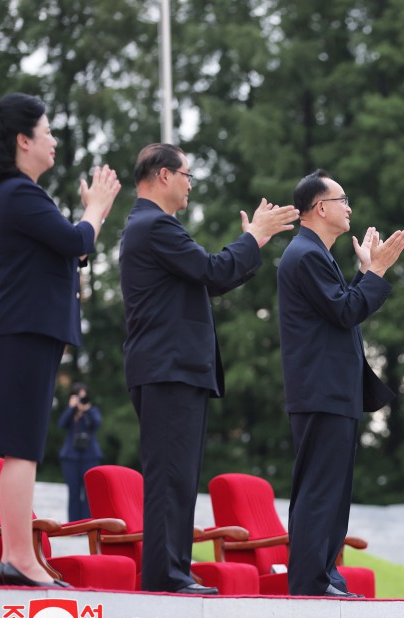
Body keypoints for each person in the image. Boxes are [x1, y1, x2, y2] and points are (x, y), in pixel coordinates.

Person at [119, 143, 296, 594]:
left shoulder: (151, 227)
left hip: (172, 368)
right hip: (168, 369)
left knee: (178, 476)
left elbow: (211, 277)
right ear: (163, 175)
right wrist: (255, 235)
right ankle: (167, 576)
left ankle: (173, 571)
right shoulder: (155, 225)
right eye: (187, 175)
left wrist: (251, 242)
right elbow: (213, 271)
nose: (190, 184)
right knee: (170, 477)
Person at [0, 92, 120, 587]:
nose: (54, 140)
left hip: (24, 328)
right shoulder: (18, 193)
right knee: (21, 448)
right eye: (47, 132)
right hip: (21, 328)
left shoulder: (19, 195)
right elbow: (77, 242)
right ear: (24, 140)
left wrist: (83, 227)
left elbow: (66, 253)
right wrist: (97, 208)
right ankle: (17, 556)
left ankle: (23, 556)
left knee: (25, 447)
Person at [278, 169, 404, 597]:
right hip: (321, 392)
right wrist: (377, 272)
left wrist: (365, 274)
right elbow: (346, 312)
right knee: (320, 489)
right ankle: (311, 581)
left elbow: (340, 309)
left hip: (332, 392)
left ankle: (325, 576)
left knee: (332, 490)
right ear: (320, 208)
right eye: (342, 200)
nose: (349, 208)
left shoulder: (317, 254)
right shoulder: (306, 254)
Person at [57, 382, 103, 522]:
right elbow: (61, 424)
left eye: (84, 397)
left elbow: (97, 423)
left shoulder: (92, 411)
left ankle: (87, 524)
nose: (82, 400)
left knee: (89, 492)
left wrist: (86, 410)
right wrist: (71, 409)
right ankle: (74, 525)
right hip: (71, 457)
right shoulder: (70, 413)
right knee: (74, 491)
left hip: (90, 456)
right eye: (79, 397)